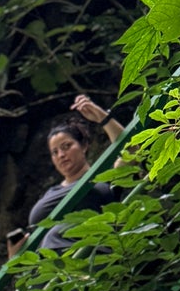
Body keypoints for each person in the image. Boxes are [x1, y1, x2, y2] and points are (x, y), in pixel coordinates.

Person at [10, 94, 125, 257]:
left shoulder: (102, 176)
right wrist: (16, 255)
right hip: (49, 270)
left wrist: (101, 116)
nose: (61, 155)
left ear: (84, 145)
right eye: (55, 152)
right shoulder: (50, 193)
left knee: (56, 233)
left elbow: (130, 149)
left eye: (66, 146)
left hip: (92, 255)